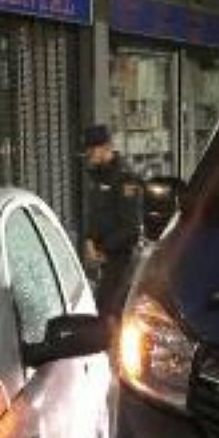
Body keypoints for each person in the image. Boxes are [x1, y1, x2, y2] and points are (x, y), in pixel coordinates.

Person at [79, 122, 144, 317]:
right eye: (87, 149)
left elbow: (131, 227)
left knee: (110, 313)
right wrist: (89, 239)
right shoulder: (98, 176)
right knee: (102, 310)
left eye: (92, 149)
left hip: (121, 260)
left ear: (106, 148)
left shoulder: (125, 178)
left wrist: (102, 248)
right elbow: (96, 213)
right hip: (104, 259)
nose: (89, 154)